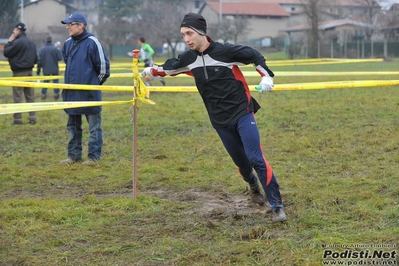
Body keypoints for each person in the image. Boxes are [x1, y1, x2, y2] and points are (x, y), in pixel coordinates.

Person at [142, 13, 286, 222]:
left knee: (256, 157)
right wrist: (149, 71)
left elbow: (254, 55)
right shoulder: (188, 58)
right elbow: (168, 68)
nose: (186, 39)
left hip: (243, 112)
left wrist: (266, 76)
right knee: (243, 165)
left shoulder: (225, 51)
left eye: (189, 33)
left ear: (201, 32)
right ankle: (253, 186)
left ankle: (277, 206)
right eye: (183, 35)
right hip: (219, 121)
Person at [59, 12, 110, 165]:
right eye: (67, 24)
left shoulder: (93, 42)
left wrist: (92, 85)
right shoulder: (67, 43)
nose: (68, 27)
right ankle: (73, 156)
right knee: (73, 126)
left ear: (81, 25)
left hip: (89, 95)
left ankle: (93, 157)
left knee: (94, 128)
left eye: (71, 24)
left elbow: (103, 69)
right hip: (71, 94)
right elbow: (68, 64)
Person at [3, 22, 38, 125]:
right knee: (30, 95)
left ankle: (17, 119)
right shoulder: (31, 43)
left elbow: (6, 53)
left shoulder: (16, 42)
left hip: (18, 72)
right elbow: (36, 59)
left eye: (14, 30)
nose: (13, 32)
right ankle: (33, 117)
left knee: (17, 96)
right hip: (29, 72)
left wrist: (9, 42)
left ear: (18, 30)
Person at [37, 35, 62, 100]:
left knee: (45, 82)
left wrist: (38, 70)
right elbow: (59, 58)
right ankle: (56, 95)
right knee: (56, 82)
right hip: (54, 68)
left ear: (46, 41)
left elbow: (39, 60)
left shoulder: (42, 50)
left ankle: (43, 94)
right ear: (51, 41)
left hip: (45, 68)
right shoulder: (55, 49)